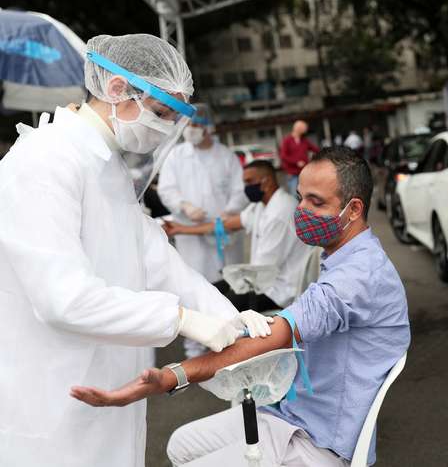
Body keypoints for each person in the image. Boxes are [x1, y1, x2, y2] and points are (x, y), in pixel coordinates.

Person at [0, 34, 272, 467]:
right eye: (162, 112)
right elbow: (63, 299)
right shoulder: (44, 161)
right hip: (50, 402)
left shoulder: (106, 166)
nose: (165, 128)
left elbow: (156, 259)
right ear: (116, 90)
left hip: (107, 386)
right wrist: (181, 319)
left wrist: (228, 315)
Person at [71, 146, 411, 467]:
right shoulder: (350, 259)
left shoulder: (356, 277)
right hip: (292, 414)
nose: (302, 210)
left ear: (353, 209)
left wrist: (172, 376)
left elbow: (273, 338)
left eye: (316, 202)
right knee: (179, 444)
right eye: (300, 198)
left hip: (317, 440)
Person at [158, 104, 249, 357]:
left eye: (197, 125)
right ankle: (195, 348)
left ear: (209, 128)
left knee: (226, 286)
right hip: (190, 235)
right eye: (188, 125)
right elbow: (166, 189)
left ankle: (230, 339)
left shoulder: (225, 156)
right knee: (192, 287)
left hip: (223, 233)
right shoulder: (176, 156)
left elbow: (239, 190)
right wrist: (182, 205)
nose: (191, 130)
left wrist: (227, 213)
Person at [165, 159, 314, 312]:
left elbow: (263, 270)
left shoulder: (279, 212)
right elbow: (226, 225)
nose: (246, 188)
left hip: (278, 292)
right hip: (261, 281)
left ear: (267, 182)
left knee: (217, 307)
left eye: (250, 181)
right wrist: (180, 229)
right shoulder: (260, 206)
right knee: (209, 291)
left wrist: (232, 274)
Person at [279, 119, 319, 194]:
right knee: (295, 195)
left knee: (307, 194)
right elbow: (283, 156)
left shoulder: (304, 140)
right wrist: (296, 162)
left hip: (304, 172)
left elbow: (315, 149)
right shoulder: (287, 140)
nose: (306, 130)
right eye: (304, 128)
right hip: (292, 174)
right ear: (298, 129)